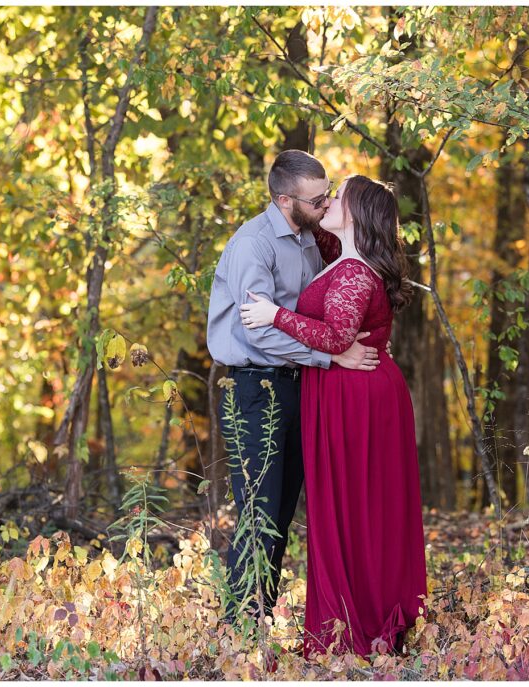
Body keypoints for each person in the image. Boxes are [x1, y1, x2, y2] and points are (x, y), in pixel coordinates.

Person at [240, 174, 428, 659]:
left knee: (356, 511)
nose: (328, 201)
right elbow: (306, 219)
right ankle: (353, 621)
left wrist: (272, 314)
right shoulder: (340, 254)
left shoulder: (353, 273)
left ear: (357, 215)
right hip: (346, 391)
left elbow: (336, 337)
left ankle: (354, 627)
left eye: (338, 196)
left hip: (357, 398)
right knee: (352, 510)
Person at [206, 150, 382, 625]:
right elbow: (257, 331)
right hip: (257, 389)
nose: (326, 205)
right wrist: (331, 355)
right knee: (258, 511)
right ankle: (239, 625)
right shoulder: (253, 245)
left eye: (328, 196)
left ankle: (258, 617)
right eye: (318, 199)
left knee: (281, 514)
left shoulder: (308, 237)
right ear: (286, 200)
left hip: (300, 387)